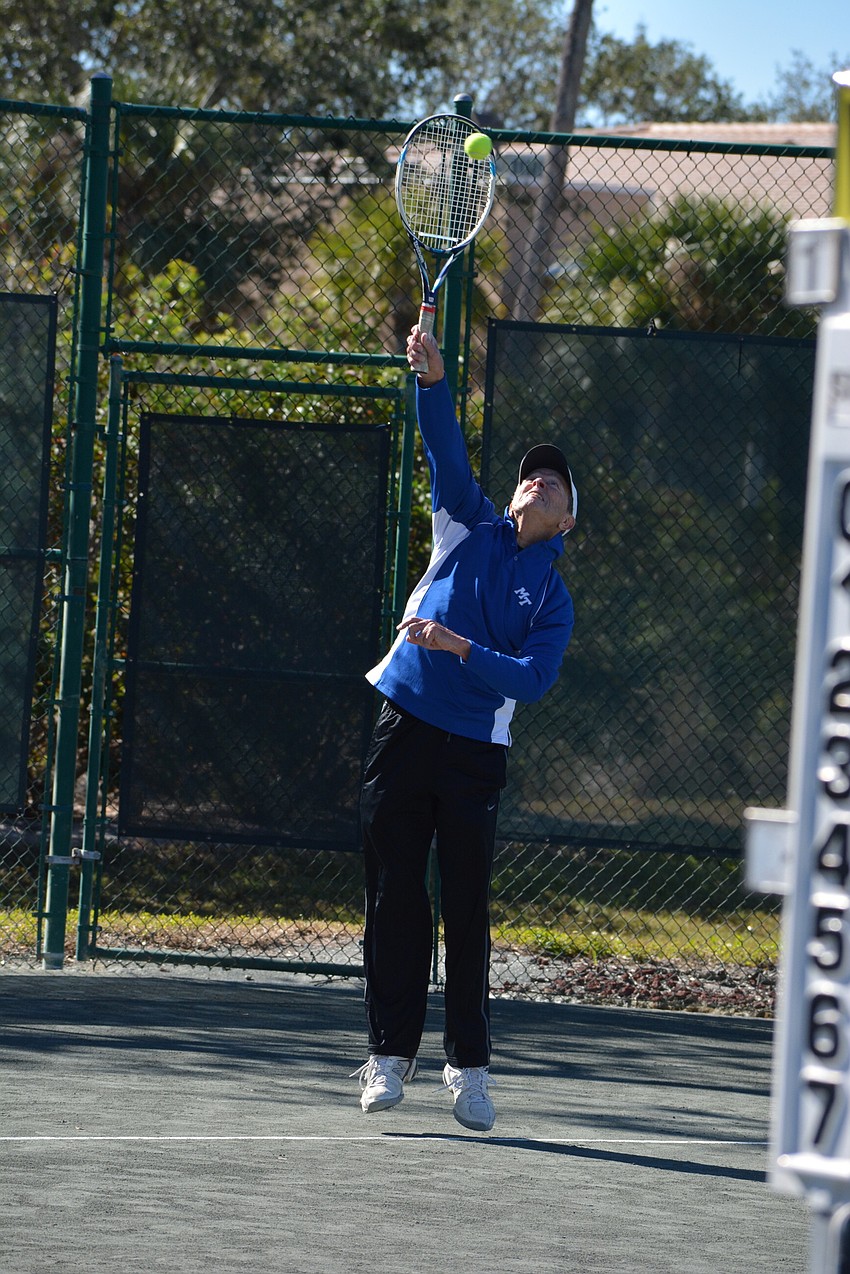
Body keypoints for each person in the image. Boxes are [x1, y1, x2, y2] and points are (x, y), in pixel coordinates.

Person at [354, 325, 577, 1132]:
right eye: (531, 477)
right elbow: (443, 441)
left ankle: (469, 1070)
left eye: (554, 485)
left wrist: (461, 646)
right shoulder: (464, 523)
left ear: (565, 524)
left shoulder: (551, 599)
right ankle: (388, 1055)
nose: (538, 483)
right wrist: (433, 377)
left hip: (474, 753)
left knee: (467, 908)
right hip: (404, 725)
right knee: (393, 891)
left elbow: (531, 679)